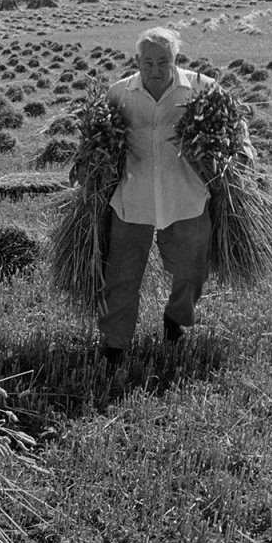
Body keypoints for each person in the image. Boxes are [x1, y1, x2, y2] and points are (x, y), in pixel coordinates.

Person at [97, 27, 254, 367]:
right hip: (131, 198)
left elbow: (235, 125)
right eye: (148, 62)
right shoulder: (120, 93)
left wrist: (241, 155)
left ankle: (176, 318)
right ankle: (115, 344)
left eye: (163, 61)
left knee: (192, 270)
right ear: (137, 60)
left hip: (186, 195)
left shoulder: (200, 87)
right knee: (121, 274)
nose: (155, 70)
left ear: (176, 58)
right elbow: (98, 136)